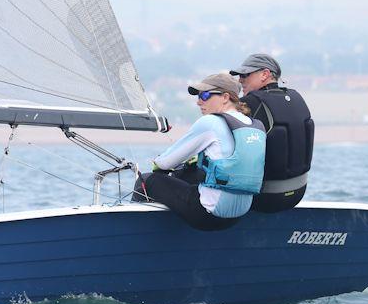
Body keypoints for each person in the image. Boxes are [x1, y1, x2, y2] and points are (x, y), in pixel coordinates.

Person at [134, 73, 266, 230]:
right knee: (189, 174)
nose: (198, 102)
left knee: (148, 180)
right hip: (239, 214)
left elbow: (164, 163)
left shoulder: (211, 122)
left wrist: (158, 165)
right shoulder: (255, 125)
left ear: (225, 97)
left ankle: (139, 236)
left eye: (205, 95)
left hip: (208, 215)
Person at [230, 54, 314, 213]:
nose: (240, 80)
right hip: (298, 193)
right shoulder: (297, 97)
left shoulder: (250, 103)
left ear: (265, 74)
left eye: (245, 75)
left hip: (265, 198)